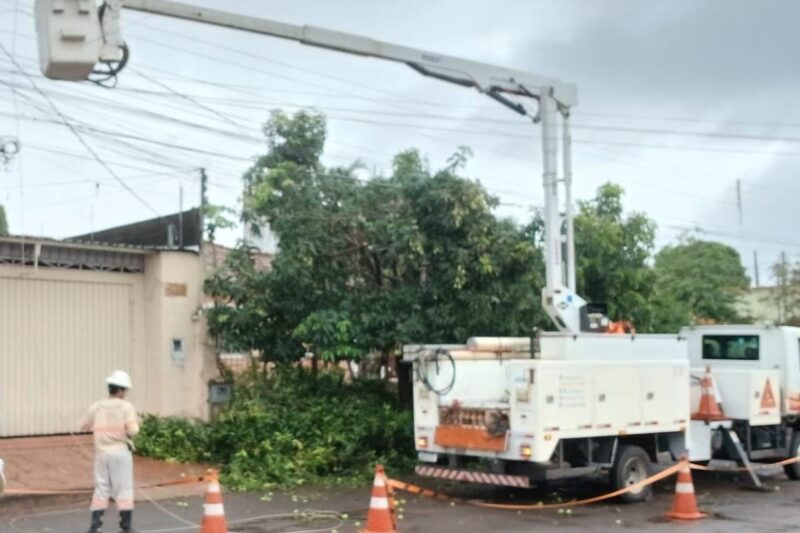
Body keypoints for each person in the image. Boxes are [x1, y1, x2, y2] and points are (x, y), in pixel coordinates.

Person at [80, 370, 139, 533]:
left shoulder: (97, 406)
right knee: (124, 489)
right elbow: (133, 431)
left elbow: (84, 425)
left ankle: (95, 526)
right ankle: (125, 527)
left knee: (101, 488)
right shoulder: (126, 407)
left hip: (101, 454)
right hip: (120, 453)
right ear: (121, 390)